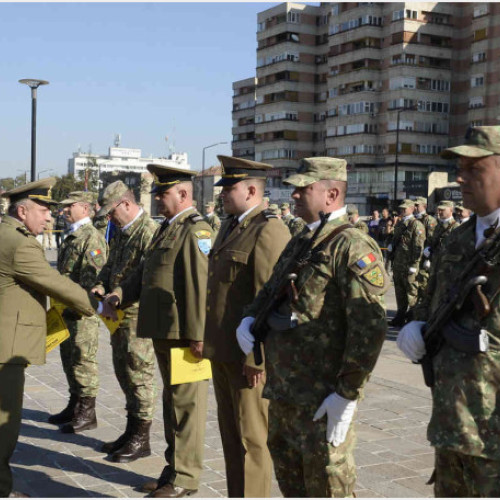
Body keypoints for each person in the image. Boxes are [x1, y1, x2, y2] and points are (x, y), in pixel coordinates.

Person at [236, 157, 389, 497]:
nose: (293, 197)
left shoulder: (352, 245)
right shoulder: (302, 240)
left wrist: (347, 394)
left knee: (327, 487)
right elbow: (271, 290)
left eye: (303, 190)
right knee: (294, 487)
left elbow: (369, 327)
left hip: (323, 400)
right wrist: (250, 316)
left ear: (331, 193)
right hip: (286, 393)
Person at [397, 125, 500, 496]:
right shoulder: (458, 238)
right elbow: (432, 298)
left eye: (475, 168)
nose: (461, 177)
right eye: (459, 168)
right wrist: (419, 322)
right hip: (452, 426)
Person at [0, 178, 115, 498]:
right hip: (5, 348)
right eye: (42, 210)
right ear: (22, 211)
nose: (48, 217)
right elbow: (53, 281)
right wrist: (94, 305)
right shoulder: (19, 243)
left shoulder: (6, 233)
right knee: (4, 426)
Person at [106, 164, 213, 498]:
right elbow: (143, 273)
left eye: (162, 194)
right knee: (172, 403)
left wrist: (199, 335)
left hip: (185, 335)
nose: (156, 199)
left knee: (187, 406)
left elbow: (199, 286)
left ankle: (185, 478)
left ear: (183, 194)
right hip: (165, 332)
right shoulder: (168, 228)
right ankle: (173, 470)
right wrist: (120, 295)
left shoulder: (197, 230)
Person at [203, 155, 290, 498]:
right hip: (223, 350)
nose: (222, 193)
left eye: (230, 187)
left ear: (252, 189)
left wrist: (258, 357)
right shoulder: (230, 224)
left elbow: (270, 298)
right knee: (231, 437)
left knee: (253, 440)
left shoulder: (269, 229)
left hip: (246, 357)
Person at [91, 181, 158, 463]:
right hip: (116, 314)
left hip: (137, 317)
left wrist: (118, 294)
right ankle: (131, 430)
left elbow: (147, 276)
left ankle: (141, 437)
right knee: (123, 371)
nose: (109, 218)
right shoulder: (121, 232)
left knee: (139, 374)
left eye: (111, 212)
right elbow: (109, 266)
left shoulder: (149, 232)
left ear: (127, 204)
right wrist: (99, 284)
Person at [48, 191, 108, 434]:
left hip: (81, 312)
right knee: (69, 359)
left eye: (69, 206)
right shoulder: (73, 234)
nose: (64, 211)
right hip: (66, 309)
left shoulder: (91, 237)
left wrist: (79, 303)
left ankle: (87, 412)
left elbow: (91, 278)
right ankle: (74, 404)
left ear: (84, 208)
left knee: (83, 360)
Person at [389, 199, 425, 327]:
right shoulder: (400, 223)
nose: (402, 210)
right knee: (399, 292)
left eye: (405, 208)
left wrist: (415, 265)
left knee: (411, 292)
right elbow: (395, 239)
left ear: (412, 209)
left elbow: (418, 246)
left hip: (409, 265)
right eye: (401, 208)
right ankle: (400, 316)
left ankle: (412, 318)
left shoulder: (416, 225)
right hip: (398, 264)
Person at [414, 197, 438, 302]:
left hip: (424, 257)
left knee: (424, 285)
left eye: (417, 205)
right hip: (414, 258)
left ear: (424, 206)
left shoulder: (429, 220)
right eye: (414, 205)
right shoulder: (413, 219)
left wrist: (428, 257)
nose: (415, 207)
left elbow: (432, 239)